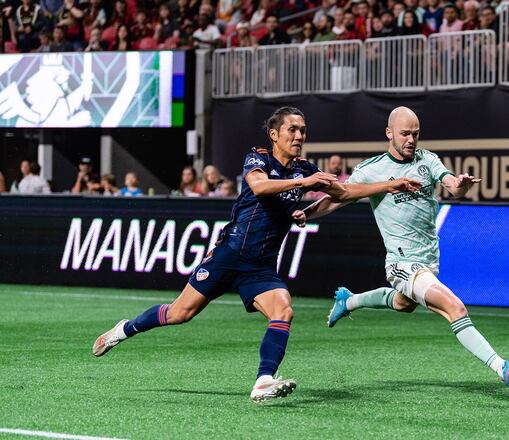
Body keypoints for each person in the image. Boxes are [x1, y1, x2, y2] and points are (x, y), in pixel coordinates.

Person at [91, 106, 421, 403]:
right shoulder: (259, 157)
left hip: (261, 266)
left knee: (284, 310)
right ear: (274, 134)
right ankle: (125, 329)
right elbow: (260, 187)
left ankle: (263, 380)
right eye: (292, 129)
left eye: (303, 130)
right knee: (179, 314)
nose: (299, 135)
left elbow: (345, 192)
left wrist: (388, 186)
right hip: (229, 254)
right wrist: (306, 183)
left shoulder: (305, 169)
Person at [296, 106, 509, 389]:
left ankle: (350, 300)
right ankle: (500, 366)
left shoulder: (427, 160)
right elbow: (336, 198)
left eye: (415, 134)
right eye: (405, 134)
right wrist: (306, 214)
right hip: (401, 263)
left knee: (404, 304)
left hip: (427, 260)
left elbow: (452, 185)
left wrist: (461, 185)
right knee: (455, 307)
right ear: (389, 133)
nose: (411, 140)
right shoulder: (371, 171)